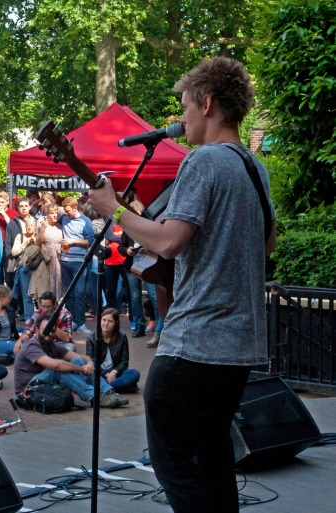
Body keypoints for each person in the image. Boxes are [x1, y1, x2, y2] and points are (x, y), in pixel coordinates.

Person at [87, 56, 275, 513]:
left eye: (186, 107)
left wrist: (115, 209)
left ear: (207, 103)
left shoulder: (204, 161)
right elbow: (266, 246)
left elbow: (170, 242)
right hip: (239, 347)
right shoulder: (255, 168)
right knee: (213, 460)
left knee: (176, 464)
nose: (181, 119)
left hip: (194, 344)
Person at [13, 314, 126, 408]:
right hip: (28, 391)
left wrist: (89, 363)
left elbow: (79, 357)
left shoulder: (51, 344)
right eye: (46, 331)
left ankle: (108, 392)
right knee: (57, 369)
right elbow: (55, 365)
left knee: (77, 361)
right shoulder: (31, 346)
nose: (49, 335)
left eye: (52, 331)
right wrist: (82, 369)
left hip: (44, 385)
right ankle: (94, 397)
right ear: (37, 330)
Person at [59, 196, 94, 335]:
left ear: (75, 208)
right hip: (65, 260)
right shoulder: (63, 218)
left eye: (68, 211)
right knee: (69, 293)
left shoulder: (85, 221)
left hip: (79, 261)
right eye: (65, 211)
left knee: (79, 292)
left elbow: (90, 241)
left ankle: (80, 322)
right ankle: (71, 321)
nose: (66, 213)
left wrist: (73, 241)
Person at [85, 308, 140, 392]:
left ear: (116, 323)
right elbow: (91, 361)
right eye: (104, 320)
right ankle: (119, 387)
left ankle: (105, 389)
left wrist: (114, 373)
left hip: (117, 373)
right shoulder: (91, 338)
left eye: (110, 321)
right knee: (86, 377)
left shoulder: (122, 337)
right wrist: (106, 374)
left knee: (134, 374)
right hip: (99, 373)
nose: (106, 324)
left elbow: (124, 361)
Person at [11, 217, 38, 321]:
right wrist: (24, 244)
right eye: (27, 226)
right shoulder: (20, 236)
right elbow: (14, 252)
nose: (29, 227)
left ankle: (40, 315)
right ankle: (28, 316)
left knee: (39, 293)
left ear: (36, 227)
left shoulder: (39, 237)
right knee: (26, 293)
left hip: (37, 267)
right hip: (24, 268)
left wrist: (35, 241)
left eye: (32, 225)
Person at [35, 204, 63, 302]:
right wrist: (42, 229)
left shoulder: (60, 227)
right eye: (52, 213)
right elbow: (37, 243)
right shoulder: (42, 226)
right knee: (46, 285)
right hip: (46, 261)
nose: (55, 215)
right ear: (47, 214)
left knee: (58, 286)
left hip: (58, 261)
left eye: (56, 212)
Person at [0, 285, 18, 364]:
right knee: (18, 346)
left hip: (10, 340)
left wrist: (20, 339)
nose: (10, 300)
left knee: (23, 331)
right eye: (9, 298)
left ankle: (11, 357)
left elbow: (14, 329)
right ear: (2, 297)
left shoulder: (9, 310)